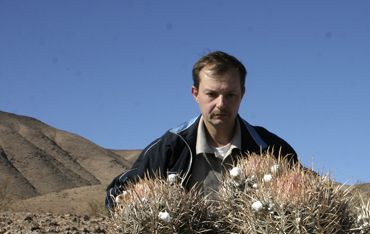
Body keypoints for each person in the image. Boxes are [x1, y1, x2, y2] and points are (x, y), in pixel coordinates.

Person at [105, 51, 297, 208]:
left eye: (230, 95)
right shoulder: (171, 147)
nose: (221, 104)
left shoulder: (272, 149)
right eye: (211, 94)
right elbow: (117, 193)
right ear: (195, 94)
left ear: (242, 94)